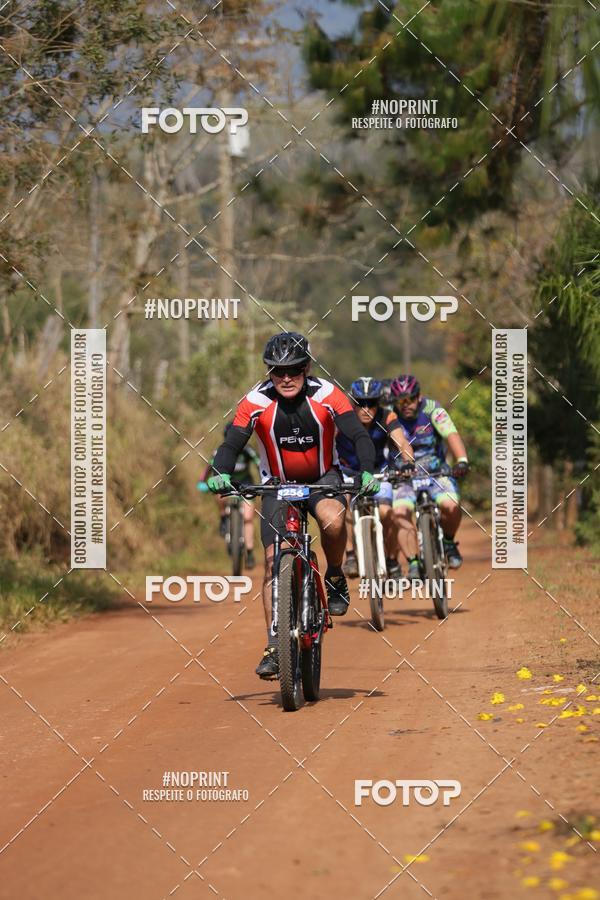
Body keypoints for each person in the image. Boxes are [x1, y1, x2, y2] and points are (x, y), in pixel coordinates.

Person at [206, 332, 380, 679]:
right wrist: (219, 472)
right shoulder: (254, 401)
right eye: (277, 371)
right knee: (273, 562)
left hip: (323, 478)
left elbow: (358, 435)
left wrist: (367, 472)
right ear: (269, 372)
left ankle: (334, 576)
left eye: (295, 370)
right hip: (277, 485)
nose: (286, 378)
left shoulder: (328, 394)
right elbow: (232, 443)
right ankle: (274, 644)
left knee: (333, 520)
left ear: (307, 368)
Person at [386, 375, 469, 576]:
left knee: (450, 505)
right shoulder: (389, 415)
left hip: (436, 472)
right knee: (399, 513)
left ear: (419, 396)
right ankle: (413, 562)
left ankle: (448, 542)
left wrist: (462, 460)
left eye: (410, 400)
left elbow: (451, 434)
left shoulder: (433, 408)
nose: (405, 405)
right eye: (400, 401)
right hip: (403, 476)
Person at [336, 377, 414, 579]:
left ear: (379, 403)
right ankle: (351, 556)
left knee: (388, 512)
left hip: (379, 471)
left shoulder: (387, 416)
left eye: (372, 403)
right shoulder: (341, 418)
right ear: (353, 403)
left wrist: (409, 462)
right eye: (360, 403)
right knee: (341, 506)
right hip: (347, 472)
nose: (366, 408)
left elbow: (402, 442)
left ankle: (391, 559)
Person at [198, 422, 259, 568]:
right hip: (227, 485)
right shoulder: (219, 452)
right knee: (218, 492)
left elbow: (259, 464)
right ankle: (223, 517)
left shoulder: (248, 451)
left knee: (248, 518)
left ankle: (249, 552)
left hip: (246, 485)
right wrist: (202, 482)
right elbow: (208, 469)